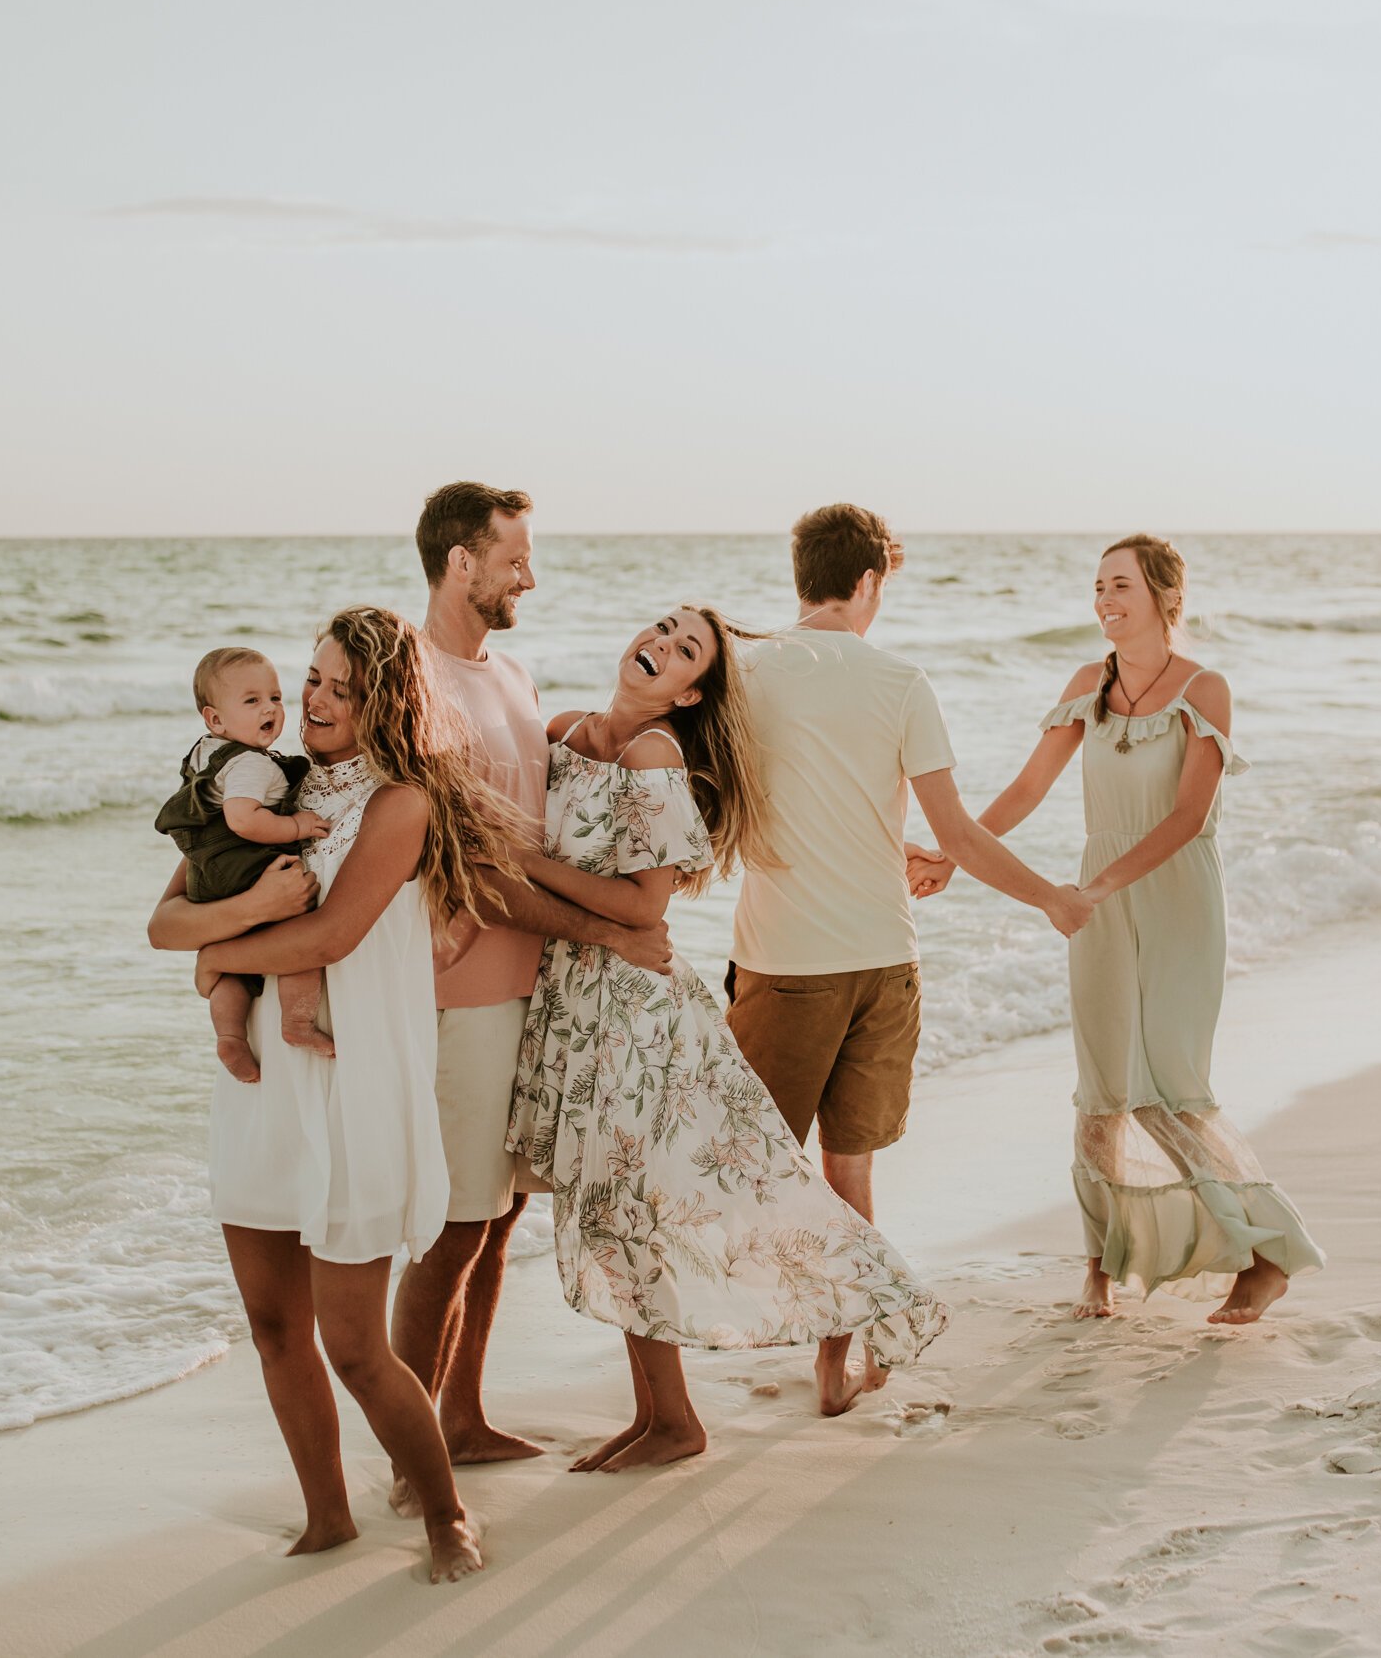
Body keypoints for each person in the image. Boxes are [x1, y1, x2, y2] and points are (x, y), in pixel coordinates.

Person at [507, 606, 949, 1459]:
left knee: (635, 1210)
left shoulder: (656, 757)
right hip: (574, 1003)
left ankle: (677, 1419)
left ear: (691, 690)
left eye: (685, 651)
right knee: (610, 1210)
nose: (661, 646)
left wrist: (523, 863)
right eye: (663, 629)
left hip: (633, 1017)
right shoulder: (564, 731)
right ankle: (655, 1416)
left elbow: (646, 904)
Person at [148, 606, 522, 1582]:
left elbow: (327, 939)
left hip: (352, 1084)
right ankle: (326, 1516)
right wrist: (242, 912)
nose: (310, 699)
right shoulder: (260, 780)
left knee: (356, 1345)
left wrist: (222, 943)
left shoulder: (402, 803)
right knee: (275, 1327)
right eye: (308, 678)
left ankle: (446, 1514)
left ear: (383, 701)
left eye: (335, 687)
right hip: (262, 1082)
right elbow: (161, 922)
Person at [728, 502, 1084, 1410]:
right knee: (851, 1170)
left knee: (761, 1172)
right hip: (884, 959)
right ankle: (834, 1359)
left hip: (784, 959)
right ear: (870, 582)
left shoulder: (746, 670)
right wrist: (1050, 896)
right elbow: (955, 831)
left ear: (802, 573)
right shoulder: (899, 679)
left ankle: (791, 1335)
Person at [386, 482, 676, 1508]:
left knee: (497, 1215)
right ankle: (410, 1454)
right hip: (455, 988)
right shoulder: (410, 679)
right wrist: (610, 927)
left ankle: (458, 1415)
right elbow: (462, 863)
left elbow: (545, 827)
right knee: (449, 1227)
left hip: (533, 989)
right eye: (513, 556)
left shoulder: (506, 674)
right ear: (460, 561)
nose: (529, 574)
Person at [974, 534, 1324, 1322]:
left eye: (1121, 584)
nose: (1104, 599)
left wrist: (1098, 884)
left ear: (1166, 595)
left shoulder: (1206, 688)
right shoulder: (1084, 685)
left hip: (1174, 897)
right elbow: (1029, 787)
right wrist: (953, 851)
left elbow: (1187, 817)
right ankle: (1099, 1265)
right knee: (1101, 1090)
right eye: (1098, 585)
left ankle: (1266, 1256)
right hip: (1096, 900)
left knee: (1172, 1089)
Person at [152, 645, 328, 1081]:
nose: (270, 708)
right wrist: (296, 827)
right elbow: (243, 819)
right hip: (246, 870)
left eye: (274, 697)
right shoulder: (250, 763)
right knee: (298, 941)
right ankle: (297, 1022)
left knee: (235, 973)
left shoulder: (206, 753)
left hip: (207, 876)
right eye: (252, 701)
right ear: (215, 719)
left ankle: (230, 1036)